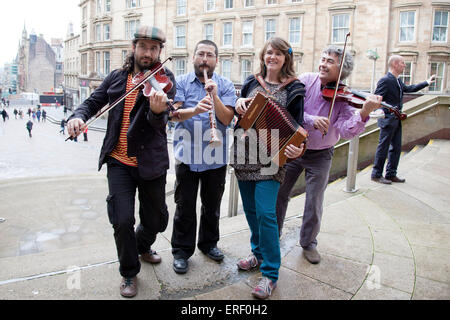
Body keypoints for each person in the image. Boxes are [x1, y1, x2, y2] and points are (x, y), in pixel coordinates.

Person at [66, 25, 175, 298]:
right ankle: (129, 271)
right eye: (143, 47)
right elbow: (92, 102)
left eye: (153, 48)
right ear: (134, 48)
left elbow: (161, 122)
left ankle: (142, 245)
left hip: (150, 161)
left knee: (156, 219)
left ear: (159, 52)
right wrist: (77, 116)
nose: (148, 53)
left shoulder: (164, 78)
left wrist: (157, 110)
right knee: (122, 219)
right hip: (119, 161)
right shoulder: (116, 78)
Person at [275, 45, 383, 266]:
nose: (323, 64)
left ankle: (308, 243)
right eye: (323, 59)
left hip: (322, 154)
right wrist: (312, 119)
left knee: (314, 200)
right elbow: (289, 108)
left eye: (329, 61)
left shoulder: (344, 96)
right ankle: (272, 236)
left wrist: (364, 112)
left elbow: (346, 130)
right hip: (296, 146)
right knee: (280, 193)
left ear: (341, 69)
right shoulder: (305, 80)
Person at [231, 37, 306, 299]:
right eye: (269, 52)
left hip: (272, 160)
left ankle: (270, 273)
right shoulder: (252, 82)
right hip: (244, 153)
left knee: (266, 213)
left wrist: (299, 148)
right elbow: (238, 112)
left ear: (286, 58)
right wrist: (239, 105)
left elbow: (298, 128)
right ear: (263, 55)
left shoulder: (296, 88)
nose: (272, 57)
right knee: (251, 211)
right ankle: (258, 253)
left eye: (278, 53)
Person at [170, 40, 236, 274]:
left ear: (216, 60)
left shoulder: (226, 85)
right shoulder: (180, 83)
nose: (205, 59)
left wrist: (215, 97)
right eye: (200, 54)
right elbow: (173, 115)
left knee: (212, 207)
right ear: (193, 57)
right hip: (187, 156)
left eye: (209, 55)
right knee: (184, 206)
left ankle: (209, 244)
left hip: (215, 157)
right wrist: (196, 109)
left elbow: (227, 119)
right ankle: (181, 251)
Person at [371, 55, 435, 184]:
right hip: (388, 120)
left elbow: (409, 89)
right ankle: (376, 174)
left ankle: (390, 174)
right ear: (394, 64)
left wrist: (427, 82)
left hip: (397, 119)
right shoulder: (385, 80)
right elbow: (377, 99)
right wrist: (383, 113)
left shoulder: (397, 80)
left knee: (396, 148)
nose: (404, 65)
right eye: (402, 63)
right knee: (383, 148)